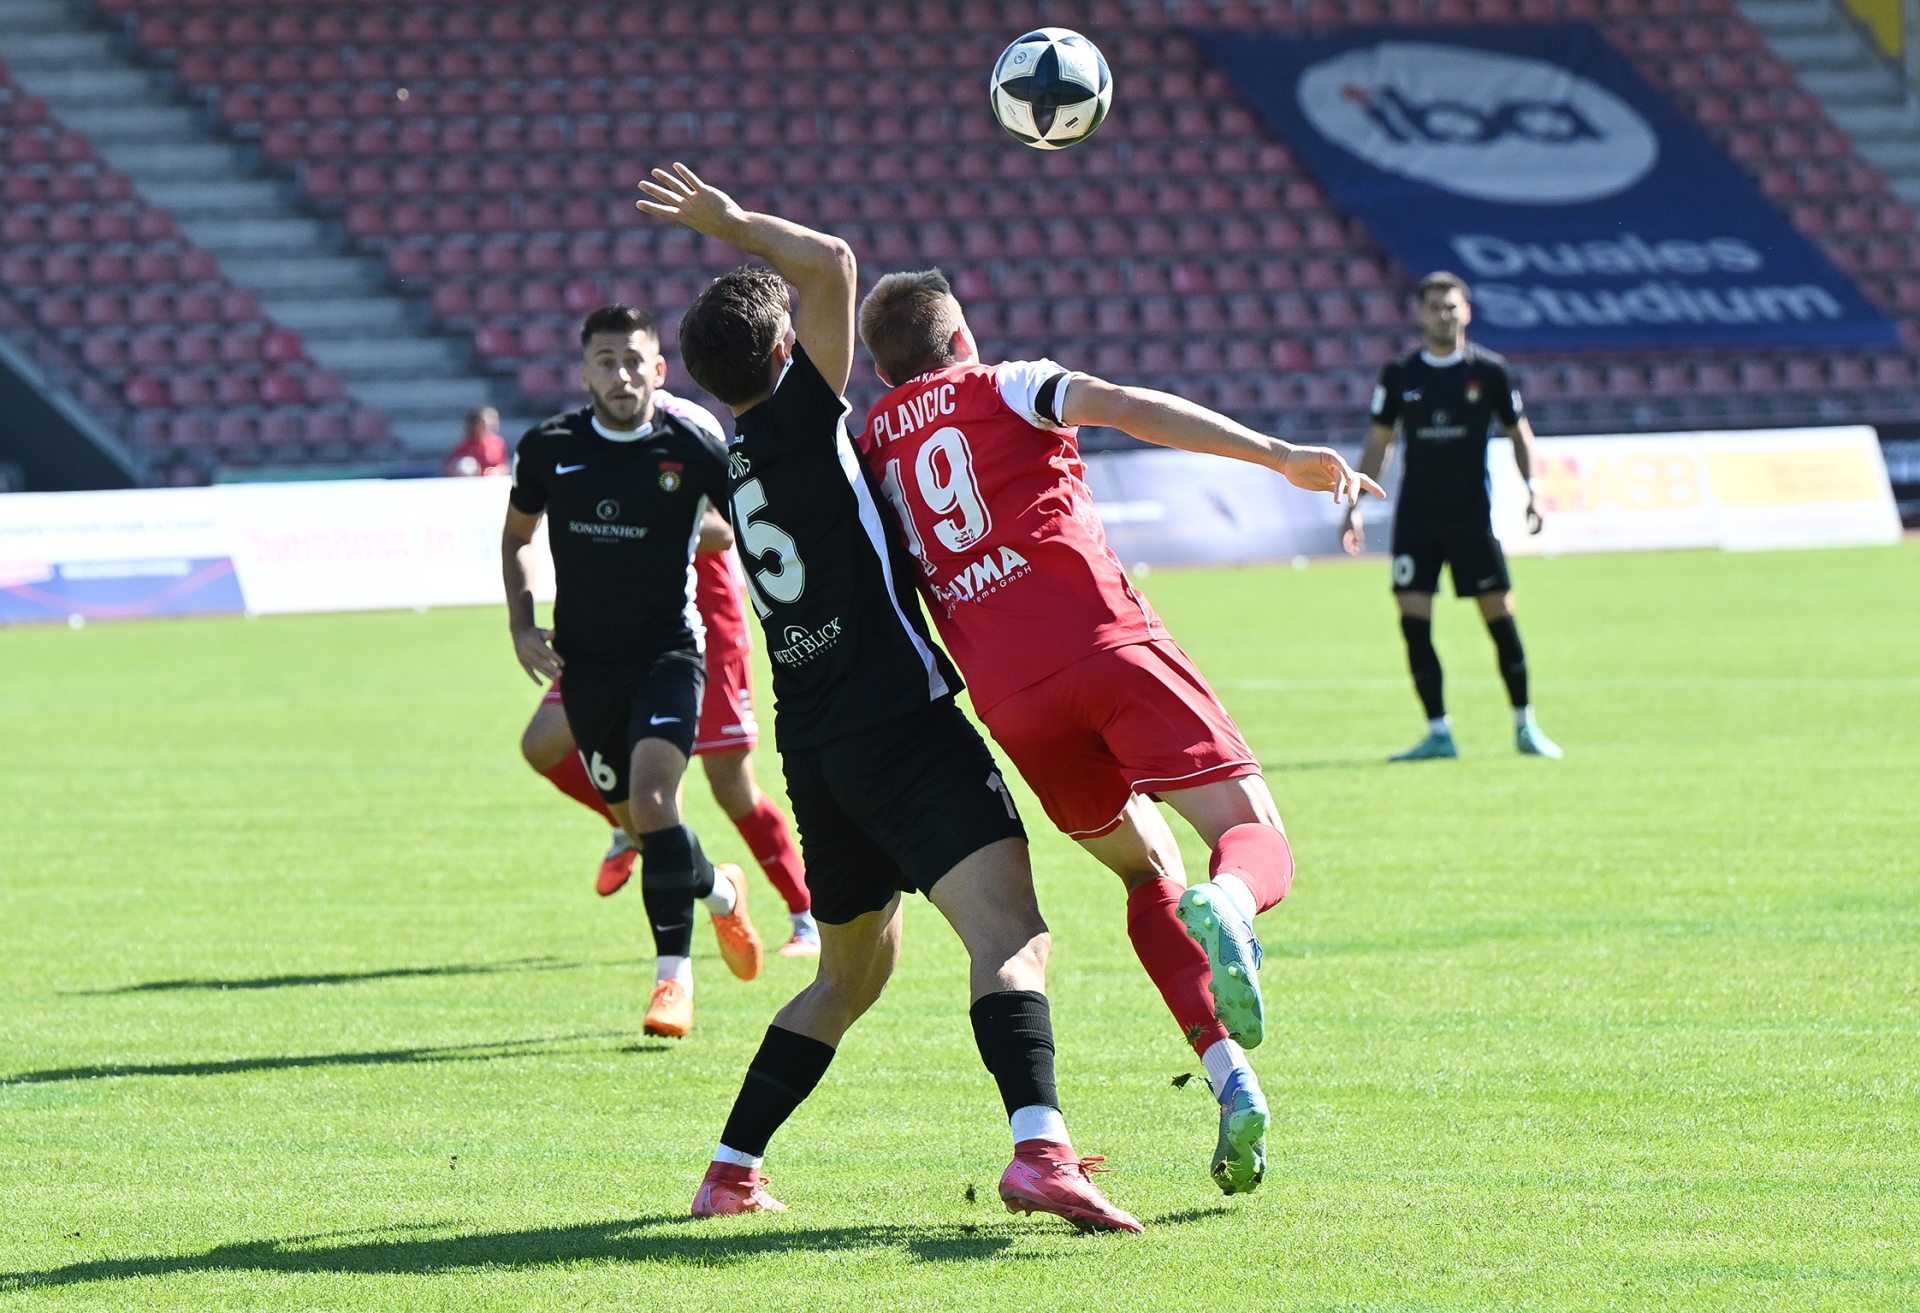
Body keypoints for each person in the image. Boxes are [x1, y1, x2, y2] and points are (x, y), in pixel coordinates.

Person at [637, 162, 1140, 1233]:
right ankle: (1040, 1152)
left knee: (853, 973)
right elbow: (831, 261)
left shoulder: (738, 459)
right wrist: (734, 223)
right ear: (786, 352)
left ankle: (729, 1168)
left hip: (818, 745)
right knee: (1011, 933)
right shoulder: (803, 422)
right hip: (898, 722)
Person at [852, 267, 1381, 1194]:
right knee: (1250, 834)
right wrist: (1277, 454)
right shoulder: (1005, 384)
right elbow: (1129, 406)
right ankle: (1234, 904)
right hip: (1104, 645)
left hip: (1011, 700)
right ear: (961, 336)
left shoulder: (871, 447)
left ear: (884, 369)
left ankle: (1231, 1078)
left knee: (1145, 873)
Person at [502, 304, 765, 1041]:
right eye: (605, 361)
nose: (621, 374)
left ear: (658, 368)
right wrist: (521, 623)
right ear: (585, 373)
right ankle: (722, 890)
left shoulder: (693, 447)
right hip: (586, 667)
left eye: (633, 360)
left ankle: (672, 981)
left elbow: (749, 525)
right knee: (644, 822)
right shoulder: (550, 447)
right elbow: (518, 534)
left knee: (652, 799)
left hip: (668, 655)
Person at [521, 481, 821, 957]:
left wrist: (638, 514)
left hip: (706, 632)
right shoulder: (592, 451)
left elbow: (721, 531)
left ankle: (806, 915)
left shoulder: (689, 443)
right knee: (543, 744)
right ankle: (632, 826)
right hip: (618, 633)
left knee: (730, 785)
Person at [1340, 271, 1564, 761]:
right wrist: (1355, 504)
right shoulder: (1400, 374)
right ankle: (1438, 732)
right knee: (1413, 622)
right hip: (1417, 520)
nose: (1444, 315)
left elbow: (1519, 433)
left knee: (1500, 619)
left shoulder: (1491, 371)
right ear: (1420, 314)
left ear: (1467, 312)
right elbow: (1380, 441)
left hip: (1471, 518)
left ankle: (1525, 725)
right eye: (1435, 307)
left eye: (1451, 306)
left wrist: (1532, 490)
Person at [444, 406, 508, 476]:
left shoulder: (497, 443)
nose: (488, 428)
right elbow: (448, 466)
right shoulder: (465, 447)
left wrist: (496, 471)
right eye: (483, 424)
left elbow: (504, 466)